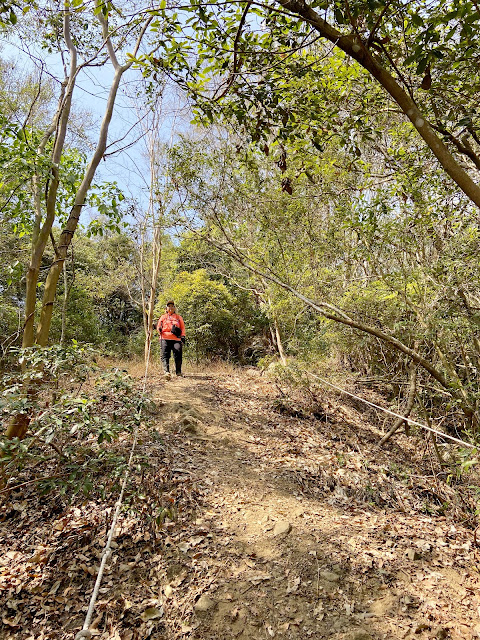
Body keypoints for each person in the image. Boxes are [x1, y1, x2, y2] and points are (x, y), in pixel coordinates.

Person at [157, 300, 186, 380]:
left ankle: (178, 372)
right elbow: (158, 326)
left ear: (174, 308)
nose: (171, 307)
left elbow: (182, 327)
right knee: (165, 354)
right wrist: (159, 329)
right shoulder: (163, 317)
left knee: (178, 353)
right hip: (165, 338)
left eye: (172, 306)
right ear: (166, 308)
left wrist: (183, 336)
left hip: (176, 338)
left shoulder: (178, 317)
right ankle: (166, 372)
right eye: (169, 306)